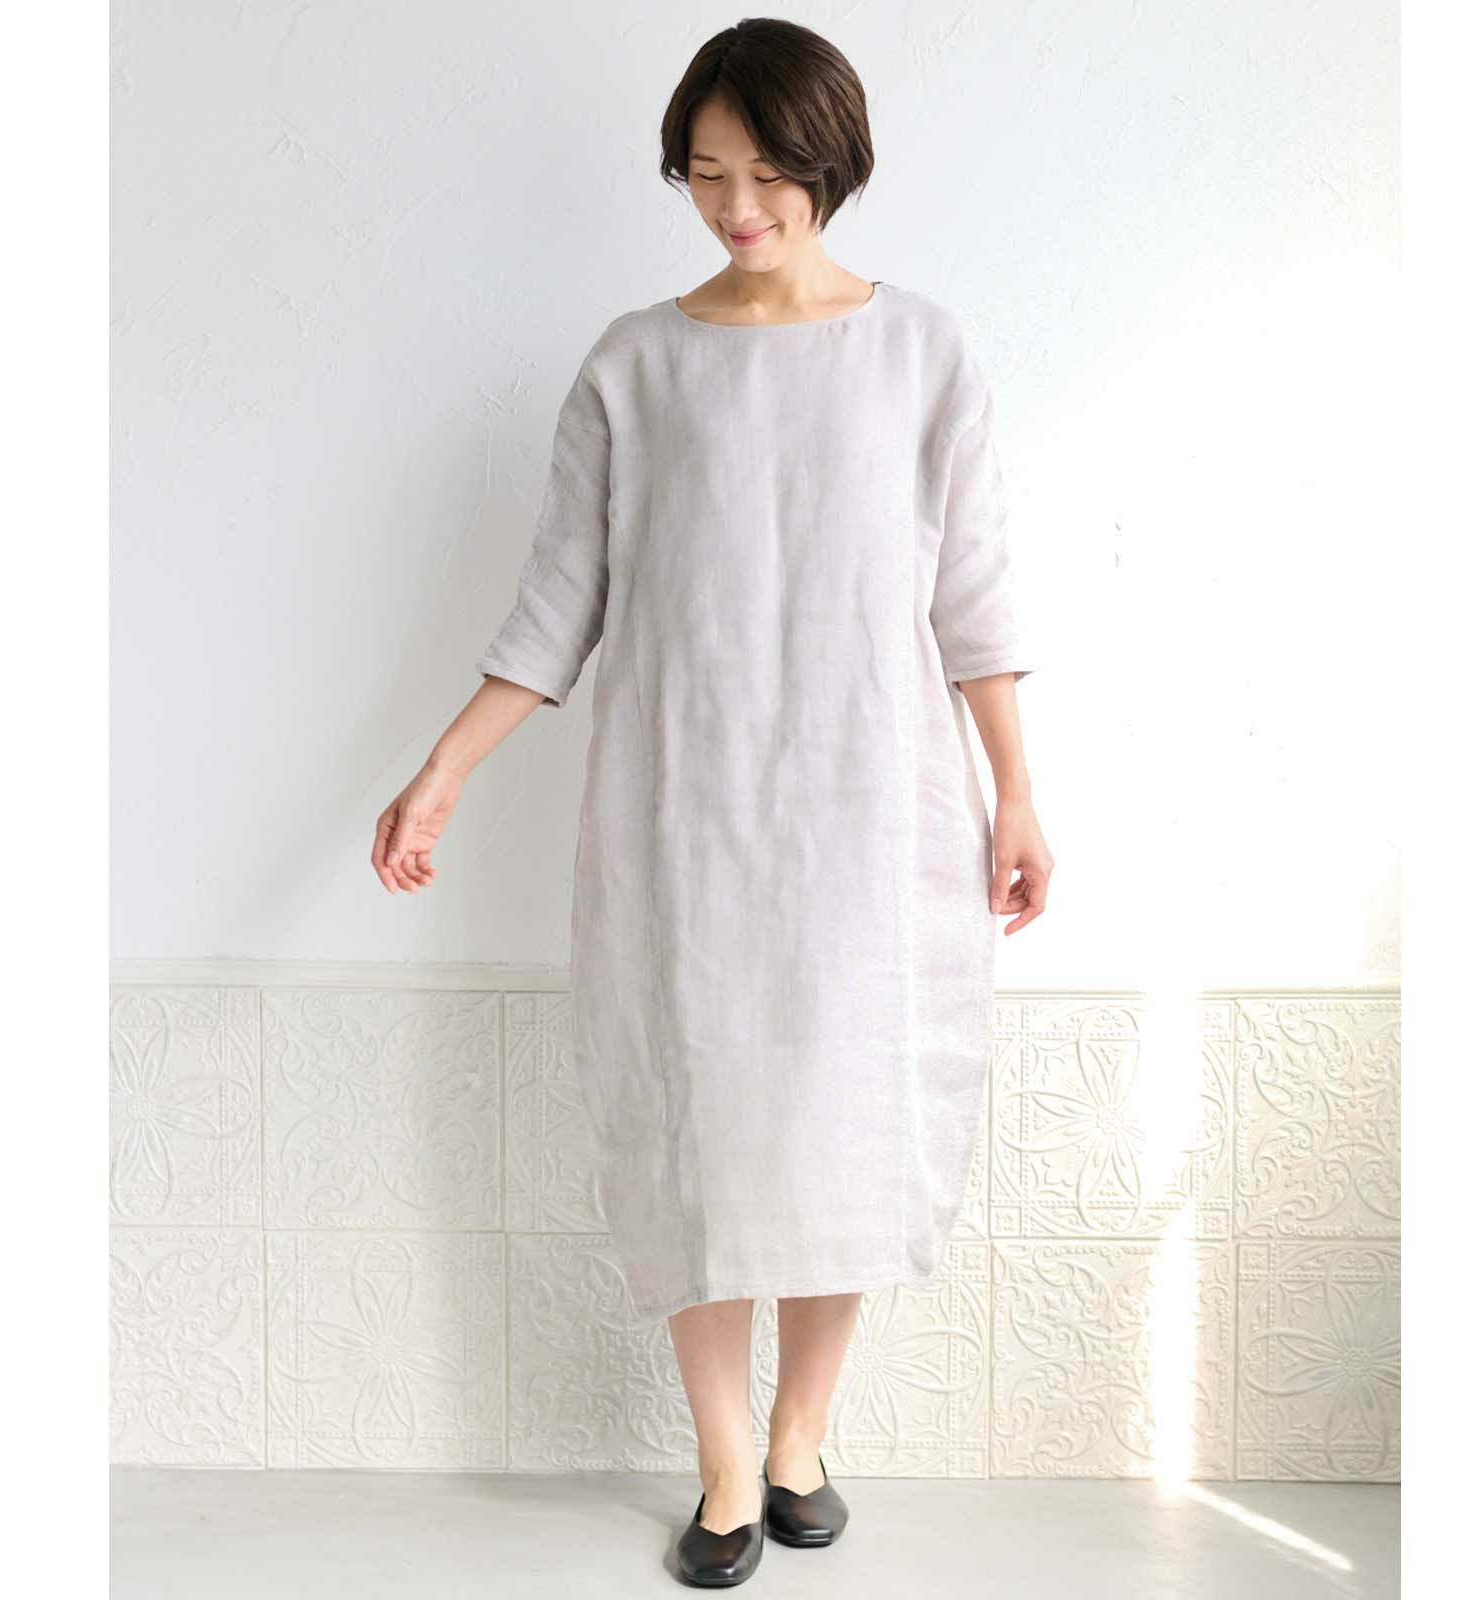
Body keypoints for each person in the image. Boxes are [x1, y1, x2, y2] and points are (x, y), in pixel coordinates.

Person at [372, 17, 1052, 1589]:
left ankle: (803, 1438)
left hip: (874, 813)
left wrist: (1018, 795)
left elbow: (976, 599)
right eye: (705, 171)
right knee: (697, 1133)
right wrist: (442, 771)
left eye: (768, 173)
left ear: (832, 164)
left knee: (844, 1129)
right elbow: (559, 608)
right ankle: (728, 1464)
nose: (737, 206)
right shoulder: (638, 365)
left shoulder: (925, 353)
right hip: (680, 817)